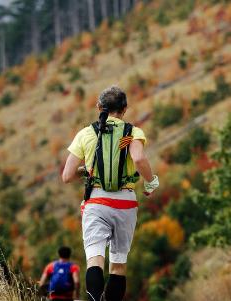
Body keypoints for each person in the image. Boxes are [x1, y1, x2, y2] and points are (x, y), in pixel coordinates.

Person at [62, 86, 159, 301]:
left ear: (99, 107)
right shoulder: (133, 132)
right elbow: (140, 160)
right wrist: (151, 183)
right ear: (124, 109)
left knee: (95, 260)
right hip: (126, 203)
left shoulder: (86, 133)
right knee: (118, 265)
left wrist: (85, 170)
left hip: (96, 201)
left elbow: (67, 176)